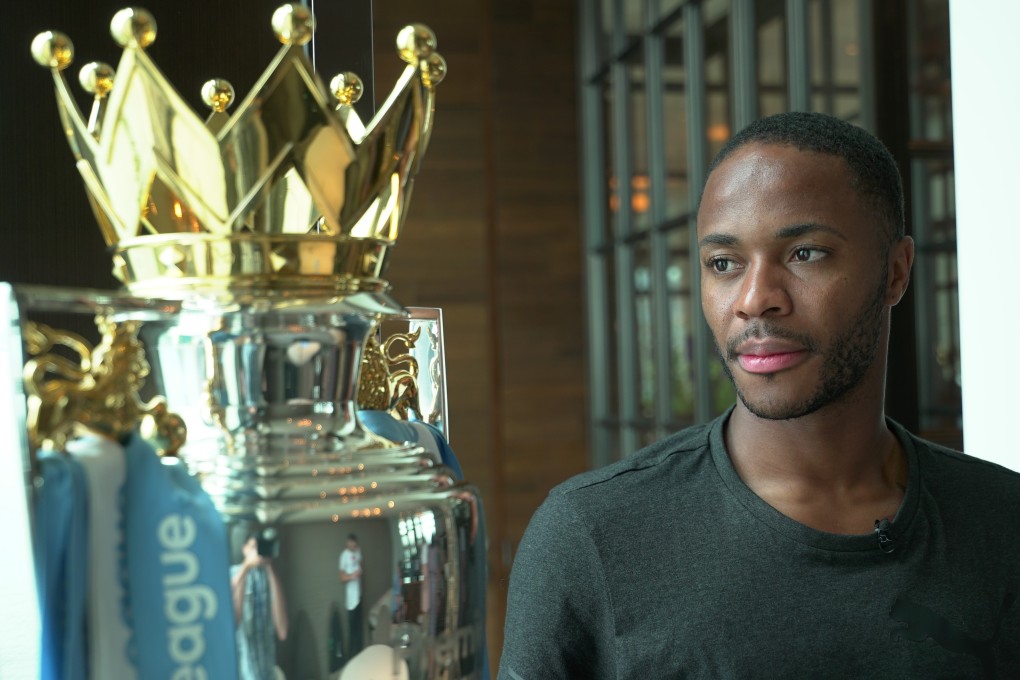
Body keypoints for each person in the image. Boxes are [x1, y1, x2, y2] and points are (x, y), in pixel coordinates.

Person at [499, 111, 1020, 678]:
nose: (754, 299)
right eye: (723, 263)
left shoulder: (1000, 523)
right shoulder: (592, 535)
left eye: (805, 254)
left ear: (896, 272)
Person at [231, 528, 288, 680]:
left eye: (261, 547)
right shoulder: (235, 574)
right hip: (242, 674)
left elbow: (282, 631)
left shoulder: (271, 578)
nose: (258, 551)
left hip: (267, 674)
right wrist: (246, 567)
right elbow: (233, 623)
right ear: (244, 549)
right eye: (253, 547)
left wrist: (270, 568)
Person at [338, 533, 365, 659]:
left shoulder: (358, 551)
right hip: (351, 601)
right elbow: (341, 578)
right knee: (352, 632)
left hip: (359, 597)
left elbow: (360, 564)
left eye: (355, 545)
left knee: (359, 630)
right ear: (347, 543)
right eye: (351, 544)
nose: (354, 547)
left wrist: (359, 571)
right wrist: (352, 576)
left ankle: (360, 656)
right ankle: (351, 659)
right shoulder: (343, 556)